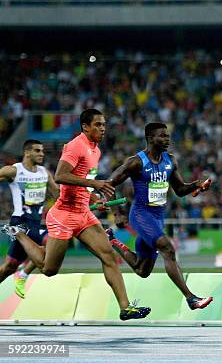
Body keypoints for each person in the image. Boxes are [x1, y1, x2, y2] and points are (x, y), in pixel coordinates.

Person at [0, 109, 151, 320]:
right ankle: (19, 234)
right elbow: (61, 176)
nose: (103, 128)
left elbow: (81, 184)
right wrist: (94, 184)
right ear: (85, 127)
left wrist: (93, 199)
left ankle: (125, 308)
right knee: (48, 268)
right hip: (63, 215)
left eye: (104, 124)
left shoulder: (95, 150)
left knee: (108, 256)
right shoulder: (75, 146)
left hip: (84, 215)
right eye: (98, 124)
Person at [106, 122, 213, 310]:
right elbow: (108, 184)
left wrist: (196, 184)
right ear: (150, 139)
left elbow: (179, 190)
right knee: (168, 248)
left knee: (142, 270)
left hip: (157, 217)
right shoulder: (136, 162)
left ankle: (113, 242)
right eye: (162, 136)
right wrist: (116, 213)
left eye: (168, 135)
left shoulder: (170, 160)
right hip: (140, 214)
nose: (167, 139)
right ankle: (191, 298)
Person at [0, 140, 58, 298]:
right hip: (20, 223)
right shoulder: (13, 171)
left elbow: (58, 194)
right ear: (27, 152)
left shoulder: (43, 172)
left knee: (9, 267)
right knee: (53, 240)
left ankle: (21, 274)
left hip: (35, 223)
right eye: (38, 151)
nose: (42, 154)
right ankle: (24, 274)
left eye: (42, 151)